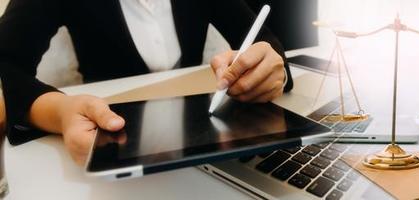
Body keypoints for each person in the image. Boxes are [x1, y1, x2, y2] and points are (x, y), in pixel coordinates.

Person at [0, 0, 292, 165]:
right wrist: (59, 111)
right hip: (111, 145)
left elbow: (264, 42)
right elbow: (6, 62)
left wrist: (271, 71)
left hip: (204, 150)